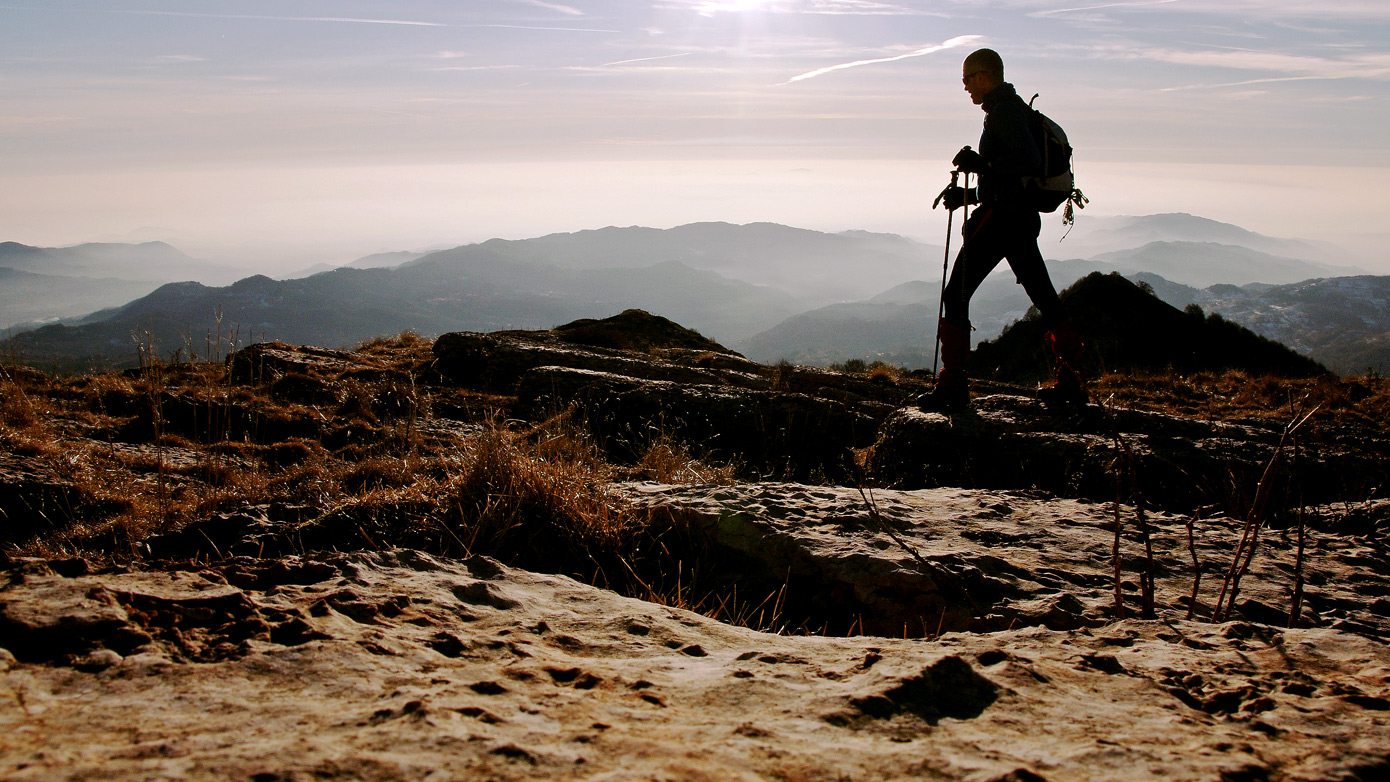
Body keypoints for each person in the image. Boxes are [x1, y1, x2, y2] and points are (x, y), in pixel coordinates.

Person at [927, 48, 1086, 409]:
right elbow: (1011, 176)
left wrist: (980, 163)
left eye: (968, 79)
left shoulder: (1005, 111)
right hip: (1021, 217)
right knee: (1044, 296)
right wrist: (969, 194)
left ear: (985, 76)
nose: (965, 87)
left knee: (955, 294)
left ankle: (953, 384)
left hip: (1003, 219)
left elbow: (1025, 160)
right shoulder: (1011, 109)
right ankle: (1072, 379)